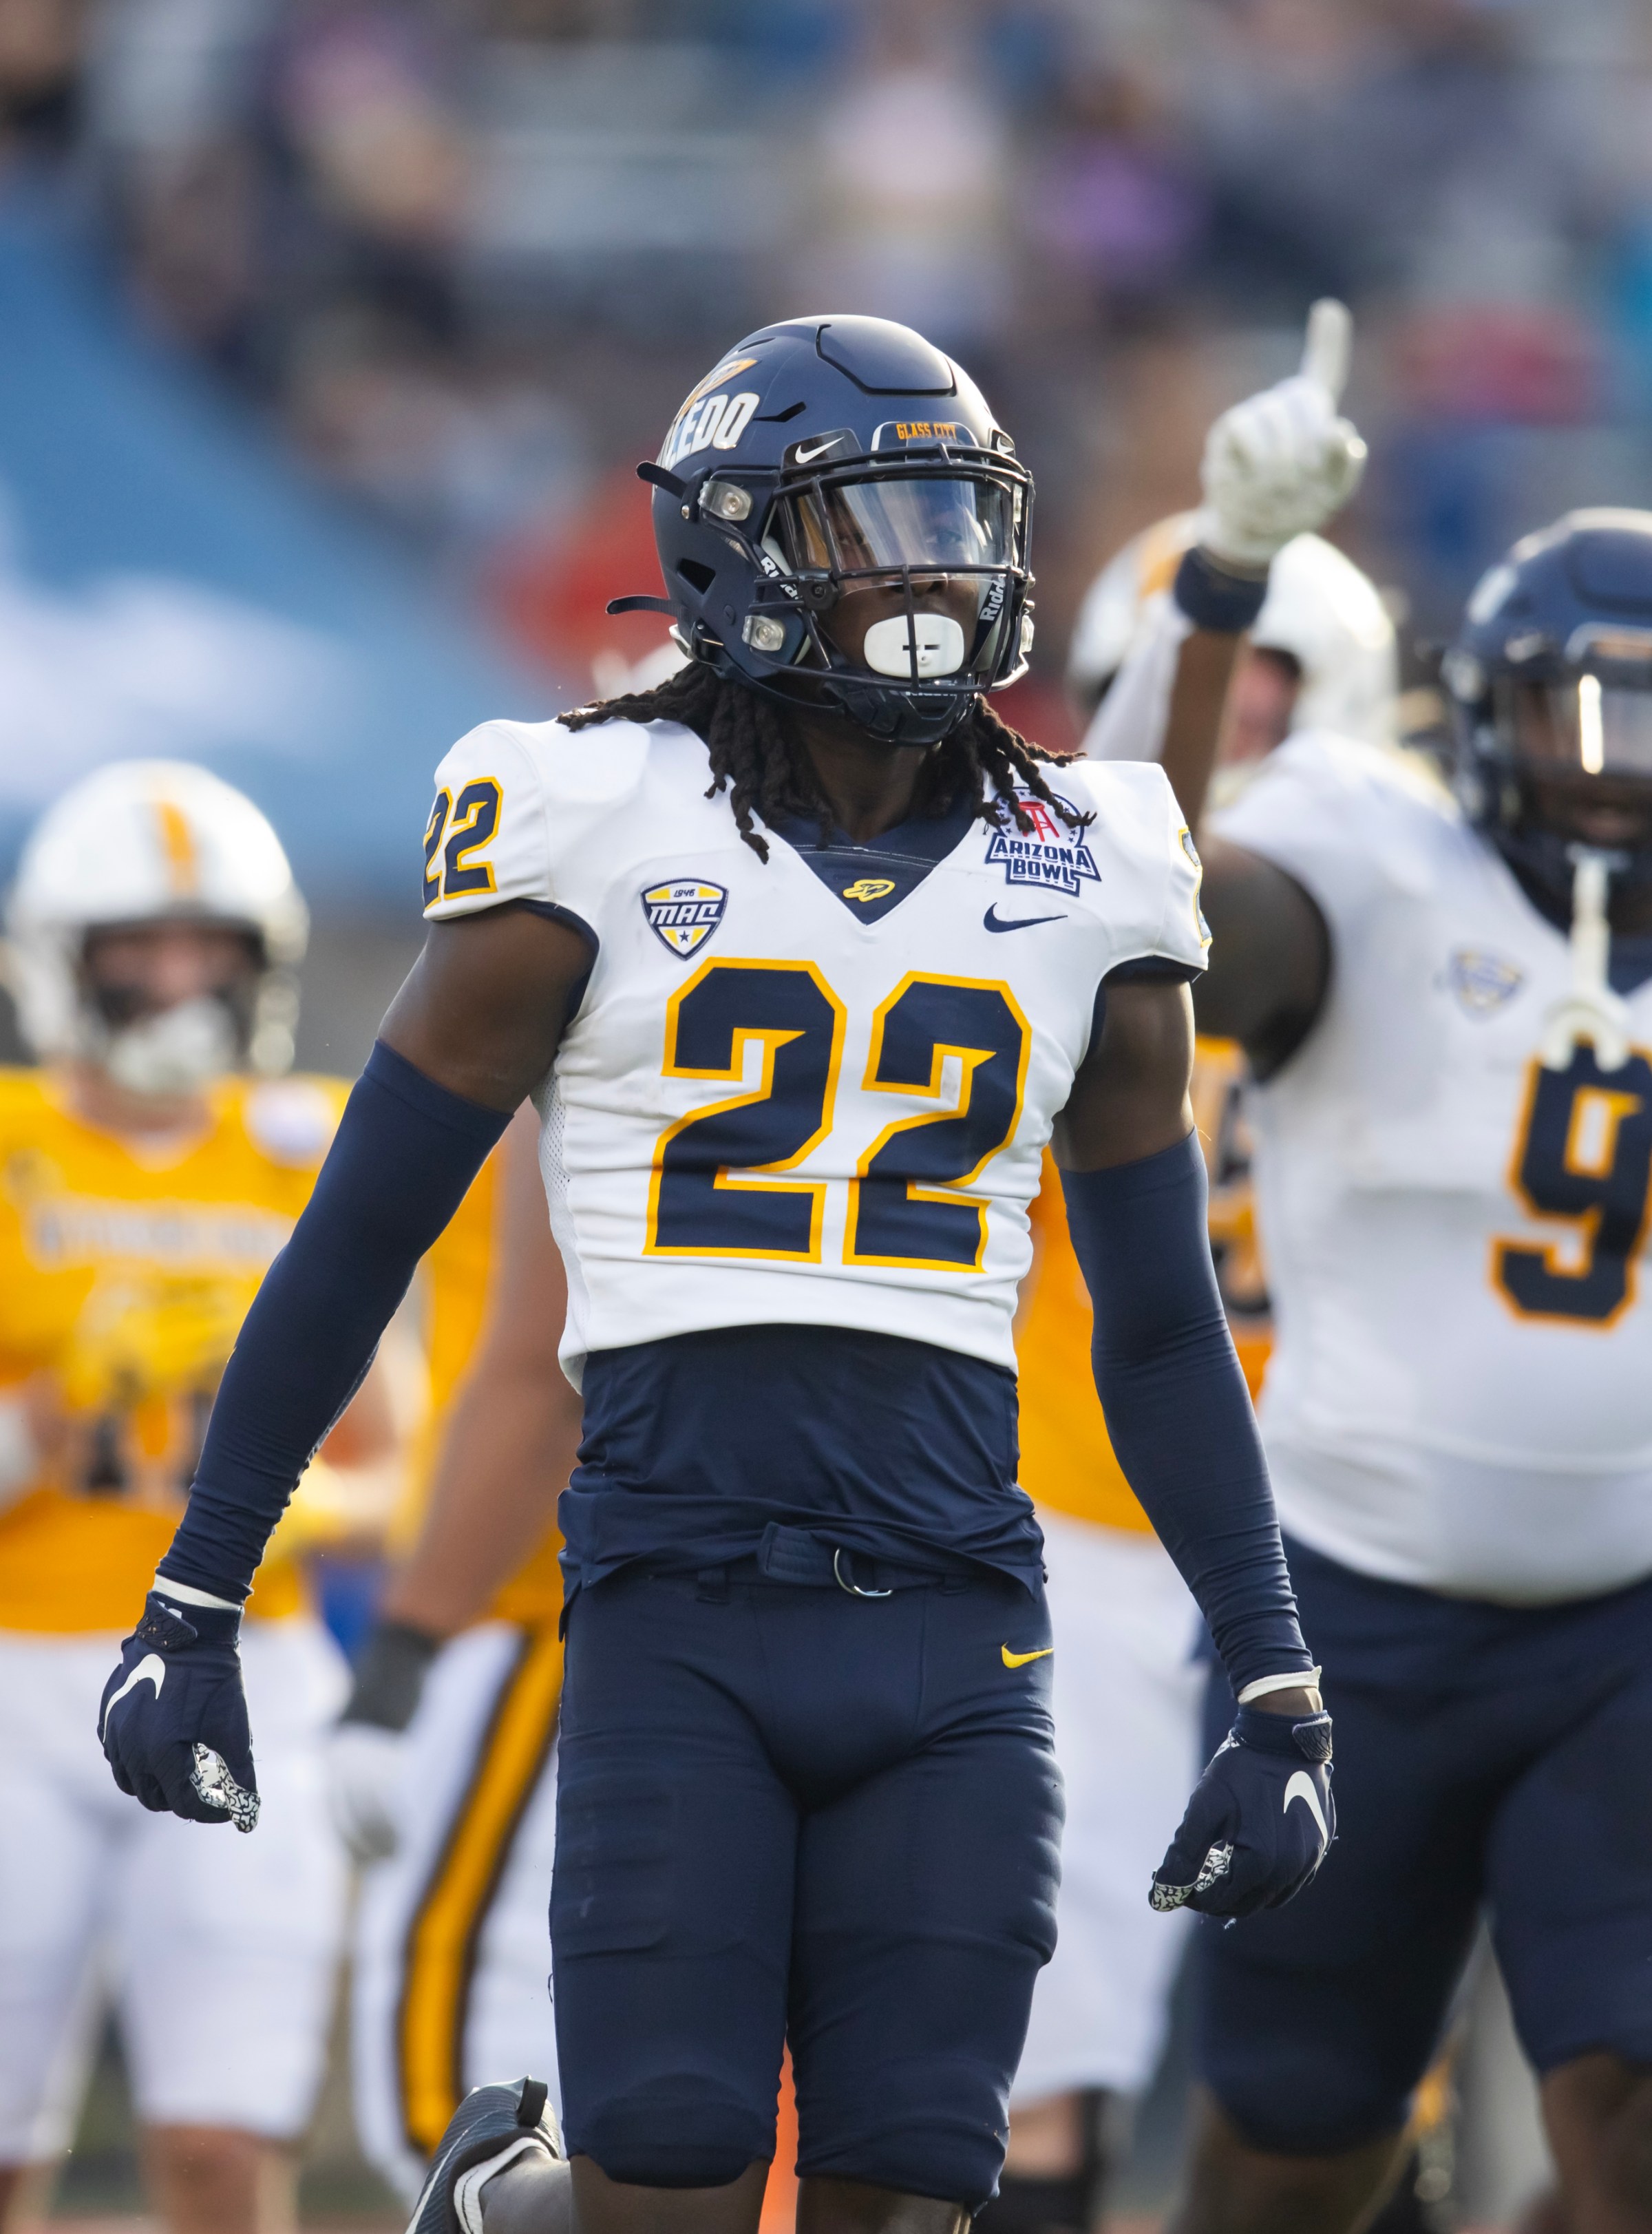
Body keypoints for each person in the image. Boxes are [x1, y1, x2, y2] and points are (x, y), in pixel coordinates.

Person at [97, 313, 1361, 2234]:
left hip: (960, 1622)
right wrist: (198, 1587)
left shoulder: (1090, 858)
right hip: (680, 1604)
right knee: (666, 2187)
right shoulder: (589, 815)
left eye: (961, 513)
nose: (938, 567)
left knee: (916, 2195)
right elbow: (358, 1229)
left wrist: (1275, 1676)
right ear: (742, 549)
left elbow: (1162, 1316)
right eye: (882, 521)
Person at [1098, 490, 1652, 2231]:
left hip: (1631, 1610)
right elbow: (1139, 891)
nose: (1612, 771)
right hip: (1355, 1611)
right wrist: (1219, 596)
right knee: (1293, 2138)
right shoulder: (1371, 855)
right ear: (1479, 714)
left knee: (1634, 2093)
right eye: (1576, 717)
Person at [984, 513, 1399, 2234]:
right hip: (1077, 1512)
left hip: (1354, 1531)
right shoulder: (1026, 881)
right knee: (1036, 2040)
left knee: (1355, 2064)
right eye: (1191, 707)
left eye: (1261, 708)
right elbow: (1145, 869)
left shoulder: (1432, 907)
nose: (1222, 755)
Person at [0, 761, 392, 2234]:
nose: (177, 984)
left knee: (227, 2150)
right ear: (64, 962)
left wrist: (290, 1521)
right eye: (140, 951)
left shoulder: (309, 1145)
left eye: (208, 951)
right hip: (16, 1666)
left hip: (245, 1668)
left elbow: (392, 1459)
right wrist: (49, 1419)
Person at [332, 1108, 581, 2202]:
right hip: (839, 1590)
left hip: (544, 1609)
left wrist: (403, 1649)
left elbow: (543, 1378)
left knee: (457, 2106)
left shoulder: (584, 1016)